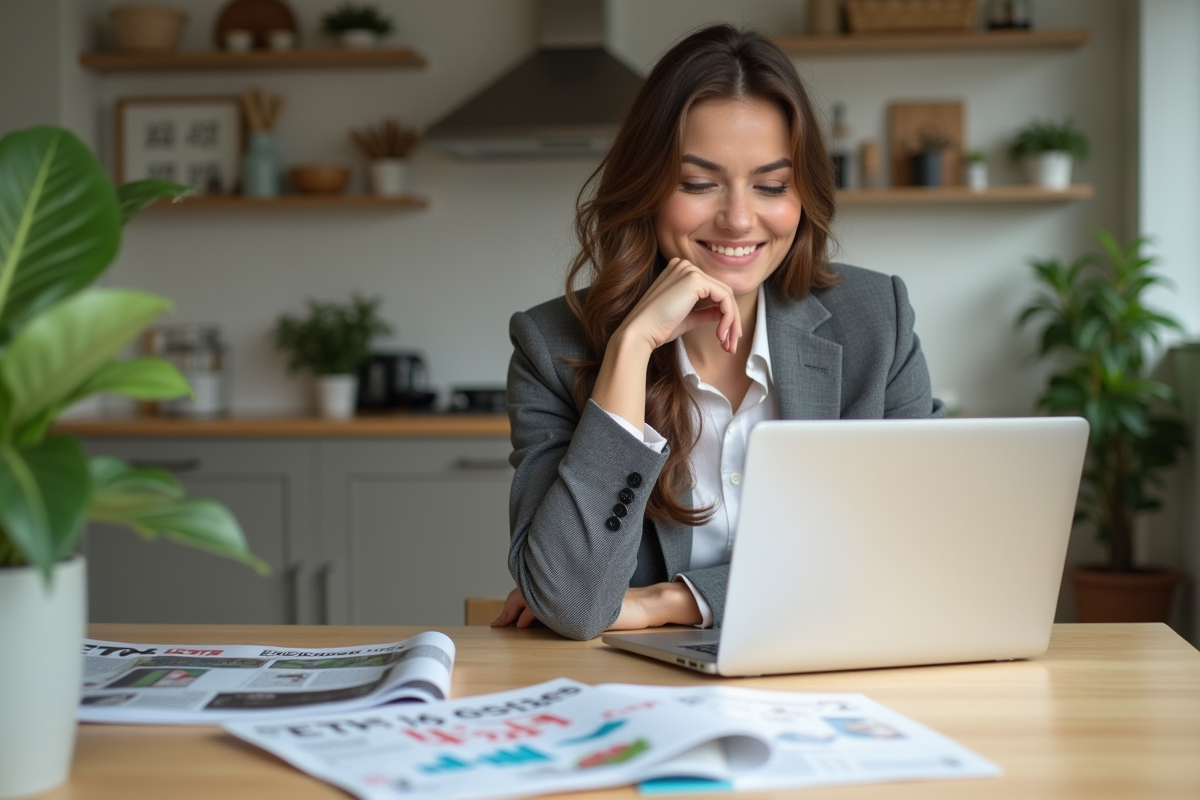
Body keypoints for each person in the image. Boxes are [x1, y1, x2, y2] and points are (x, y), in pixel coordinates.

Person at [494, 24, 943, 641]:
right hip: (637, 685)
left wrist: (671, 601)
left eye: (771, 186)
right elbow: (572, 601)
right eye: (699, 183)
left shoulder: (876, 320)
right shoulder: (551, 344)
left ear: (803, 195)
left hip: (832, 664)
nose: (737, 219)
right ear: (647, 188)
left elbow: (917, 548)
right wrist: (630, 349)